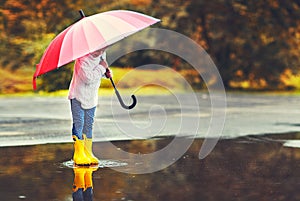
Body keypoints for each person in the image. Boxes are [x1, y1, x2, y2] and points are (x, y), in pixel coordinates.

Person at [68, 48, 112, 166]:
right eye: (97, 49)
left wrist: (106, 73)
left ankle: (88, 152)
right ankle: (79, 153)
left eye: (103, 49)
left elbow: (98, 73)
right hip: (78, 96)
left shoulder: (101, 56)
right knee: (79, 122)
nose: (100, 52)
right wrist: (102, 67)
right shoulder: (82, 60)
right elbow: (88, 78)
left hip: (91, 97)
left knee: (89, 124)